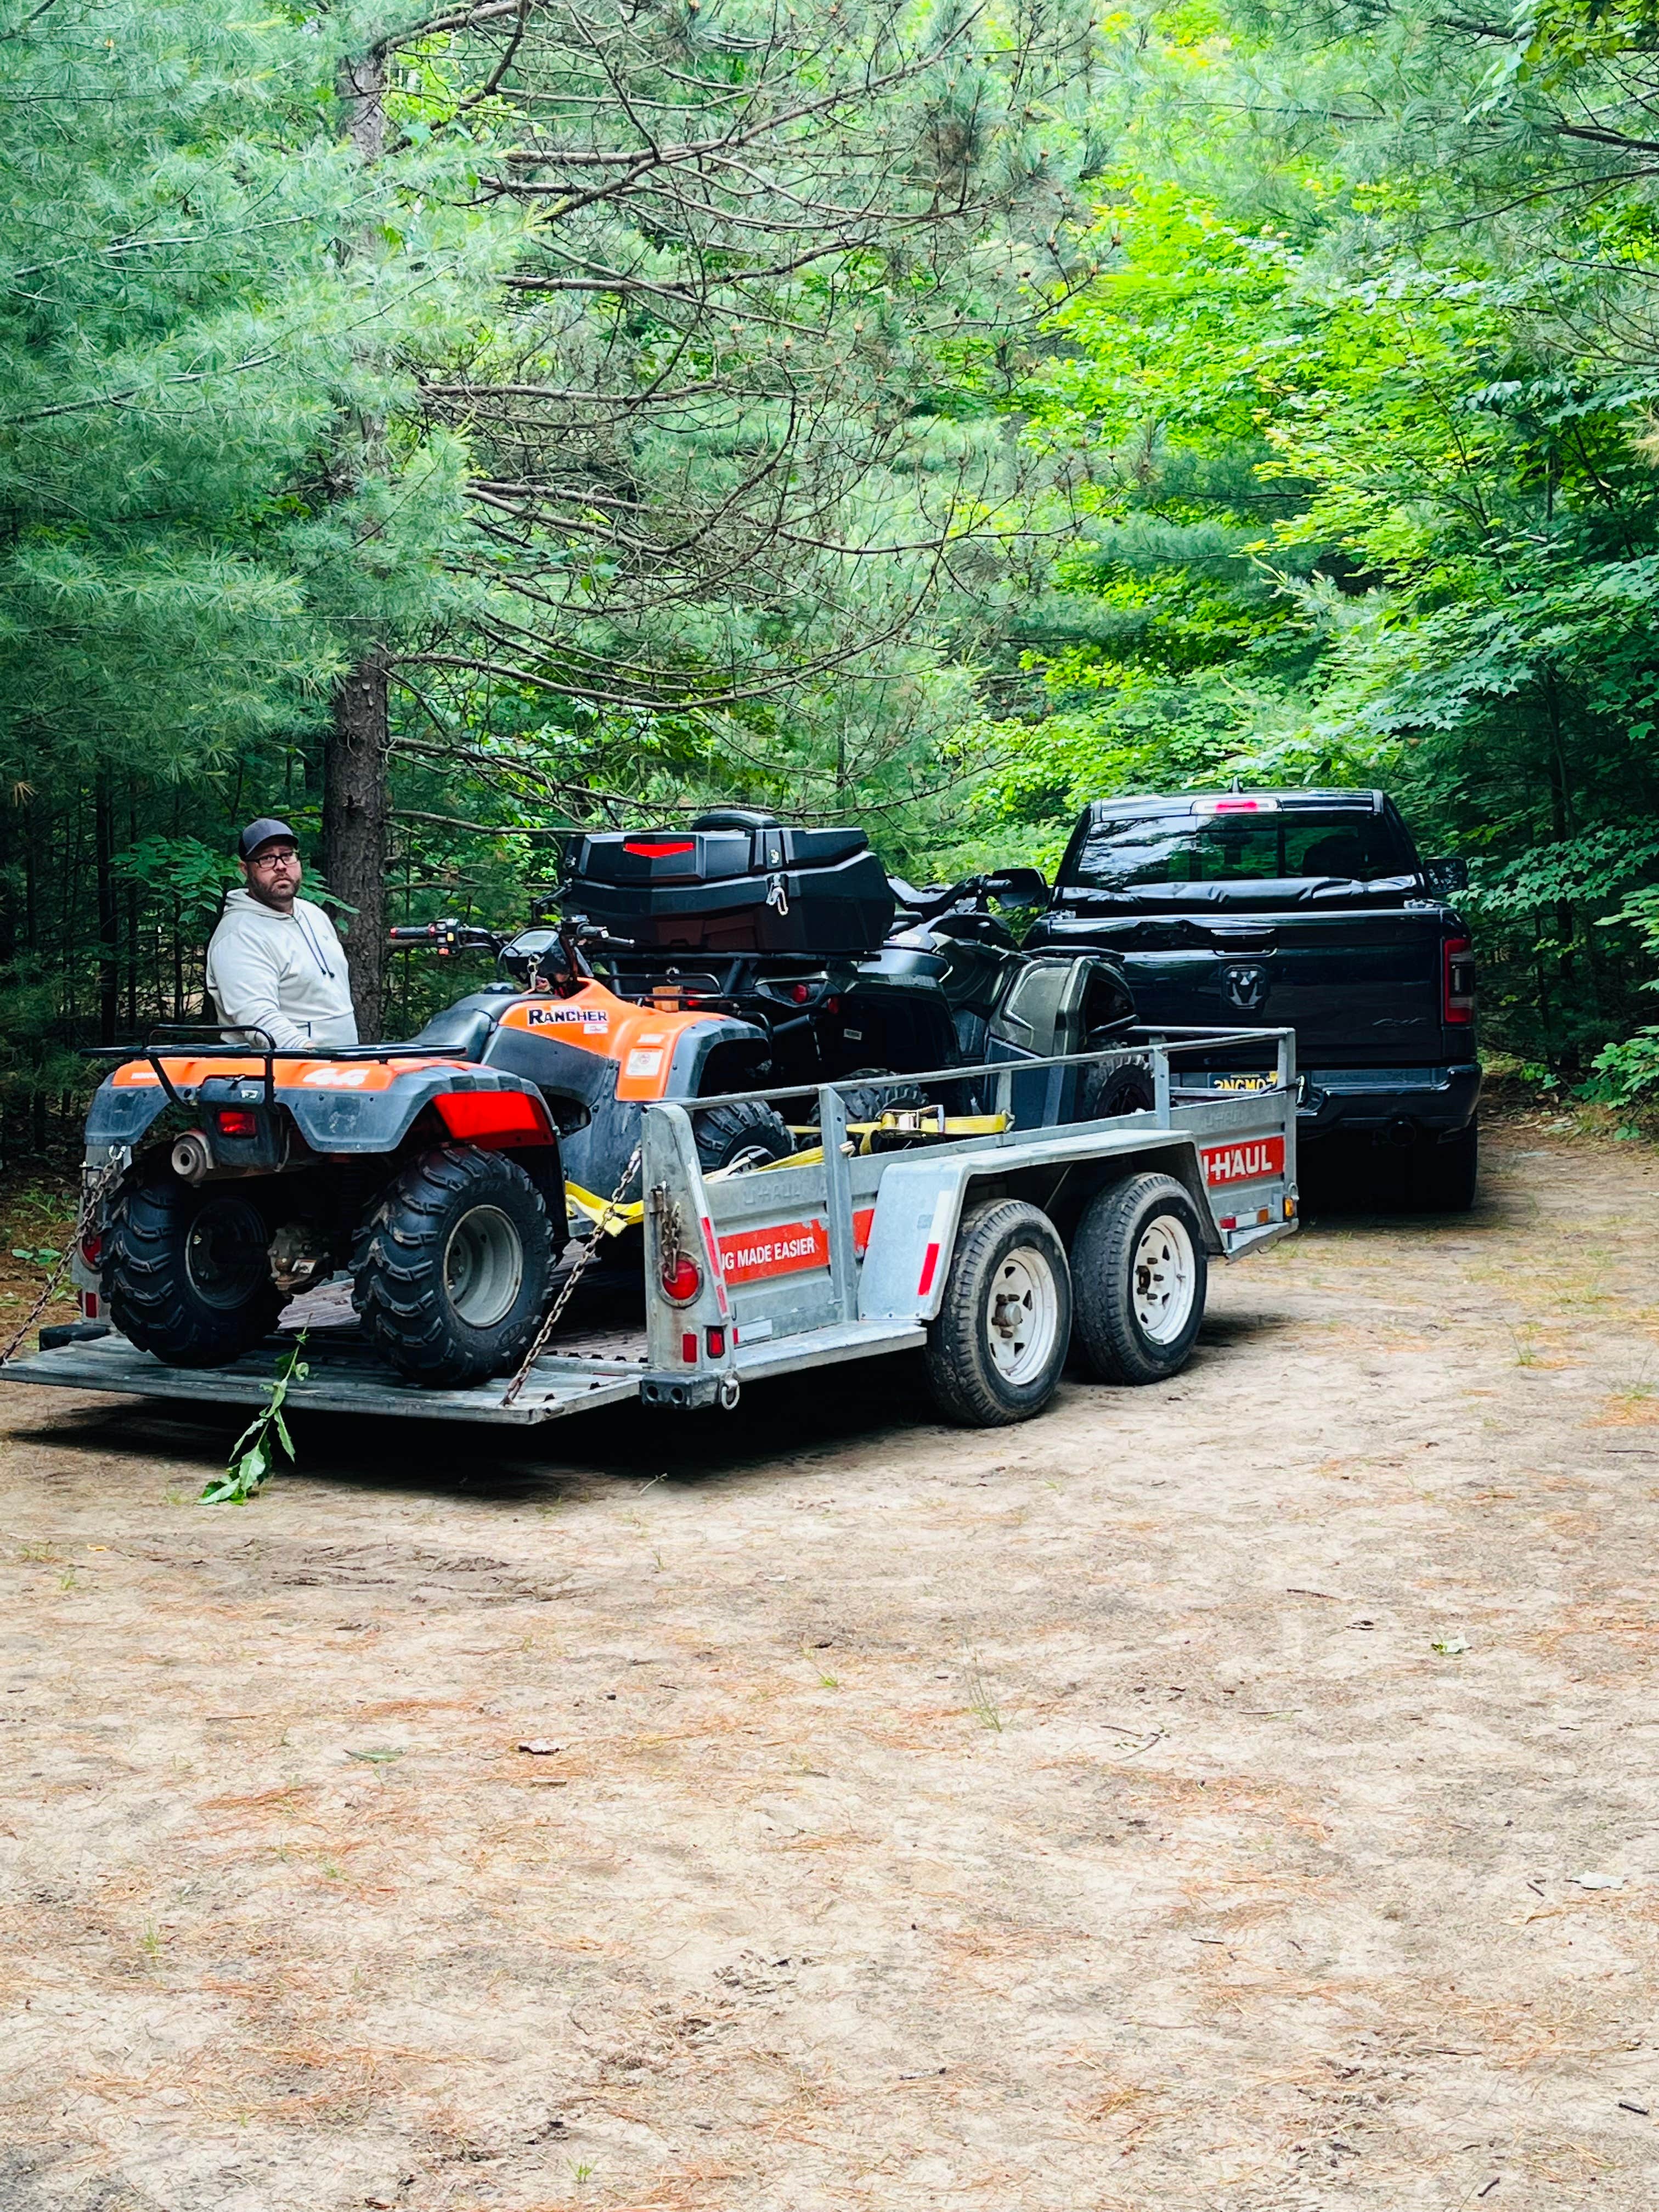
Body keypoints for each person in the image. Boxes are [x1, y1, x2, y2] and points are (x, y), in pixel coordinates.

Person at [205, 817, 359, 1049]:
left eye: (287, 855)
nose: (280, 866)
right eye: (267, 858)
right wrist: (312, 1056)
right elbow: (258, 1019)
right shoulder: (238, 936)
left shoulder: (312, 914)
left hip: (343, 1071)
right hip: (286, 1075)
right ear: (245, 869)